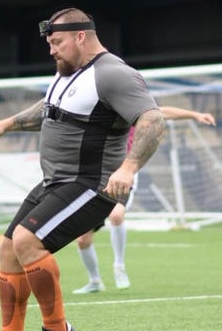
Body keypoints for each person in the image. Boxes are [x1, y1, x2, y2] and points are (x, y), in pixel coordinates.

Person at [0, 7, 165, 331]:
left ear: (81, 36)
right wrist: (7, 124)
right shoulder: (69, 71)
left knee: (27, 241)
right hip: (55, 182)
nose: (51, 51)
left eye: (57, 42)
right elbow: (50, 108)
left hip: (92, 185)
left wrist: (129, 168)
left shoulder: (113, 73)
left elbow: (153, 120)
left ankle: (57, 328)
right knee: (9, 249)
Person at [73, 107, 216, 294]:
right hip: (97, 176)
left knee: (116, 215)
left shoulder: (133, 109)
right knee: (83, 238)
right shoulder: (98, 113)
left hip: (124, 172)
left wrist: (196, 114)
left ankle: (119, 266)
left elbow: (161, 112)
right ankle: (95, 281)